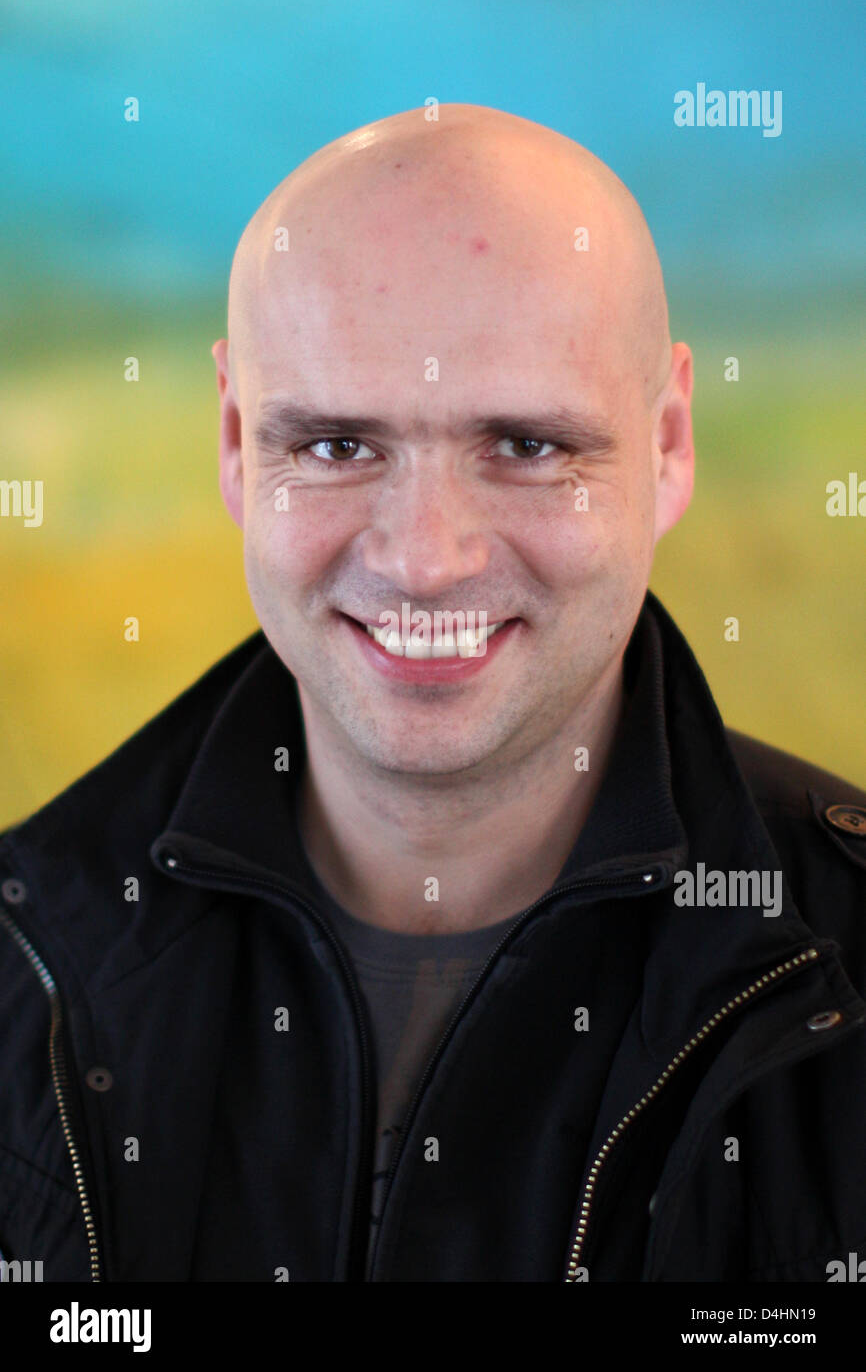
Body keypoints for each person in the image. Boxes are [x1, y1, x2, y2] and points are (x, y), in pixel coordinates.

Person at [1, 103, 864, 1284]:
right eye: (339, 446)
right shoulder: (21, 951)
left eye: (525, 444)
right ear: (235, 440)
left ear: (665, 442)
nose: (423, 558)